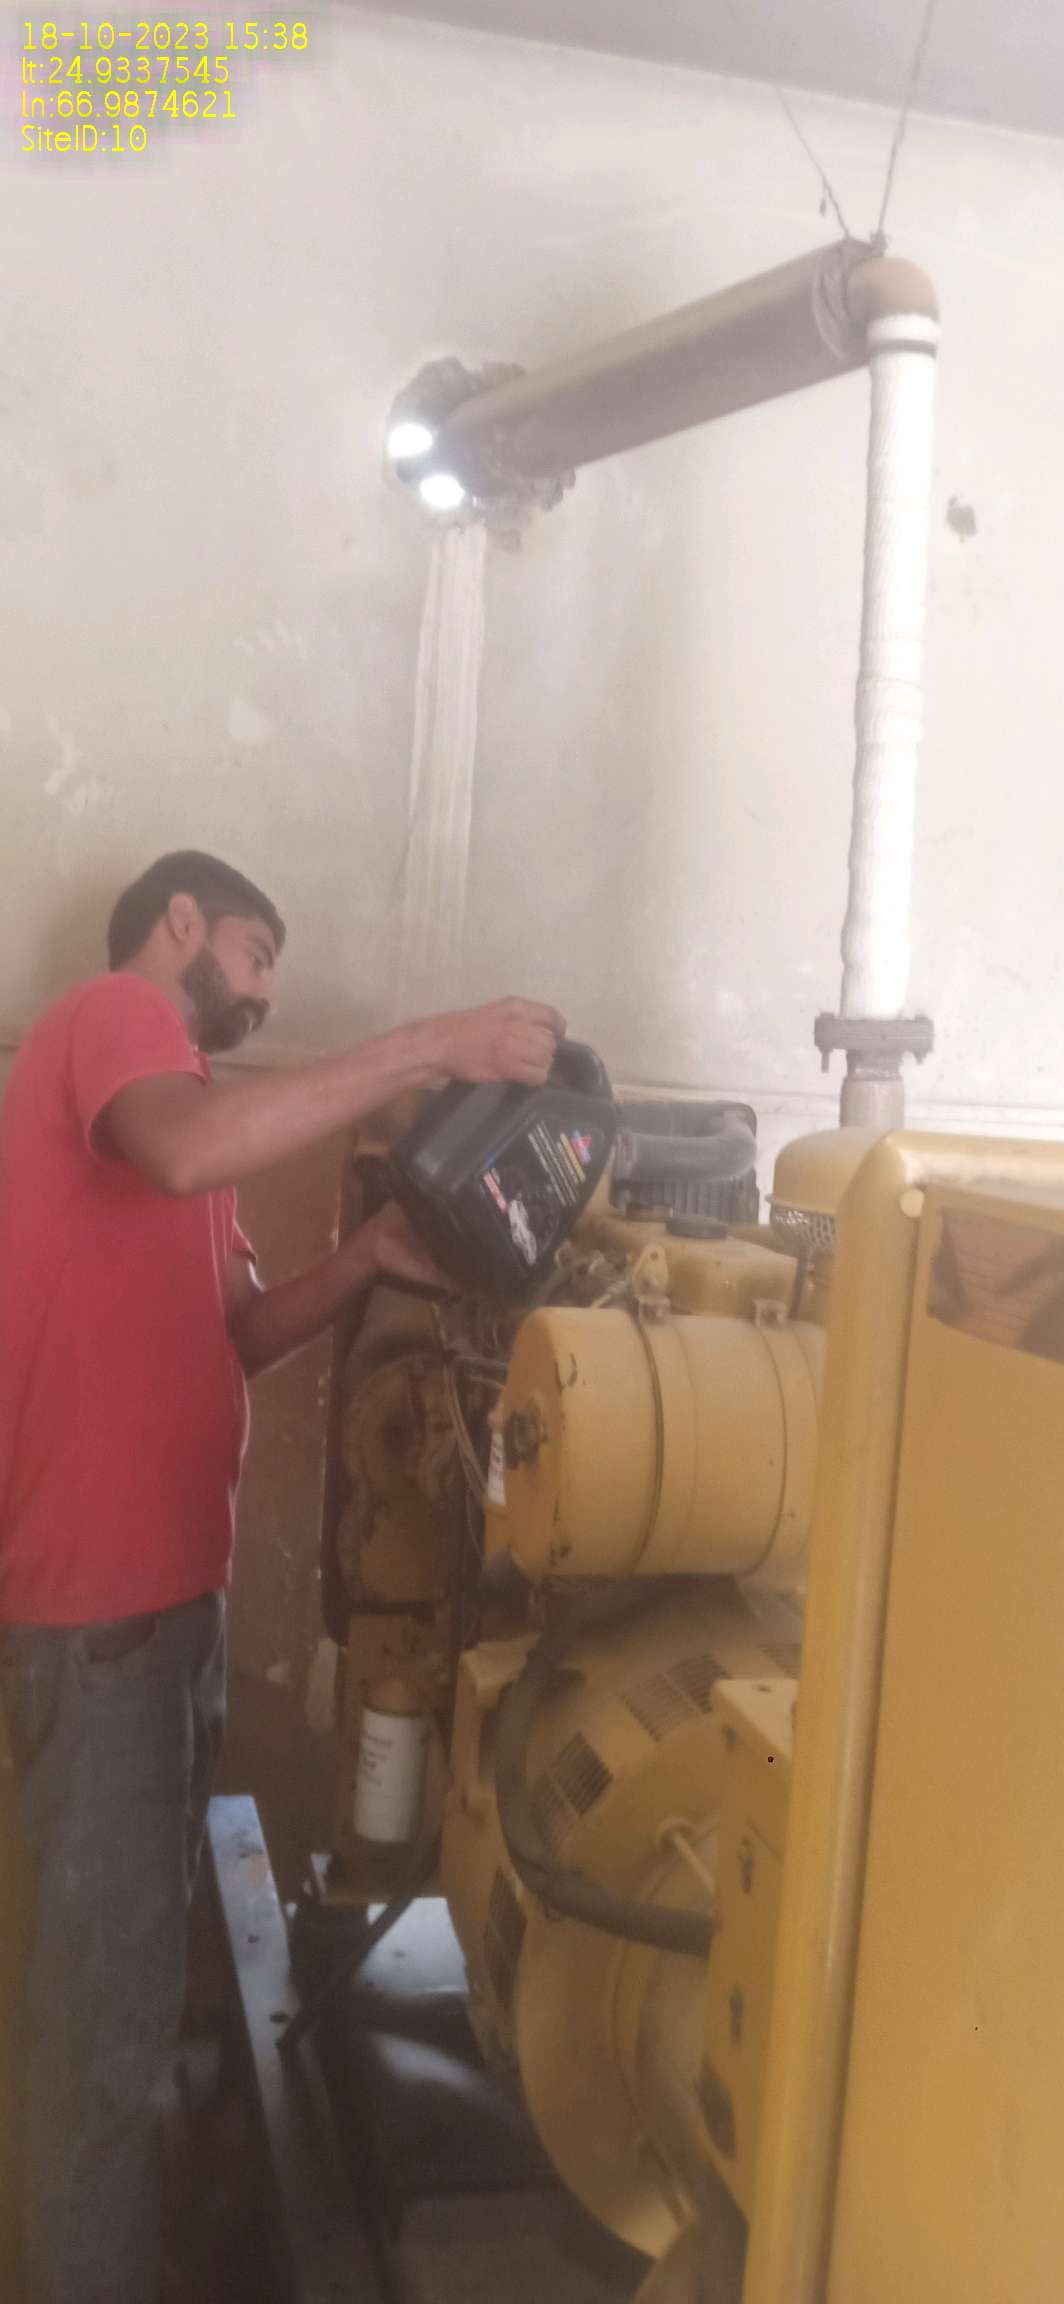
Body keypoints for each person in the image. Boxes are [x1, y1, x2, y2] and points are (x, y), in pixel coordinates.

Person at [0, 849, 564, 2304]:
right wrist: (434, 1043)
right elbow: (194, 1150)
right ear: (178, 922)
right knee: (102, 2035)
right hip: (100, 1622)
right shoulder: (117, 1026)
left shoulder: (176, 1118)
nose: (261, 996)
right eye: (255, 957)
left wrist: (371, 1250)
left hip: (161, 1620)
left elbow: (237, 1332)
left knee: (119, 2005)